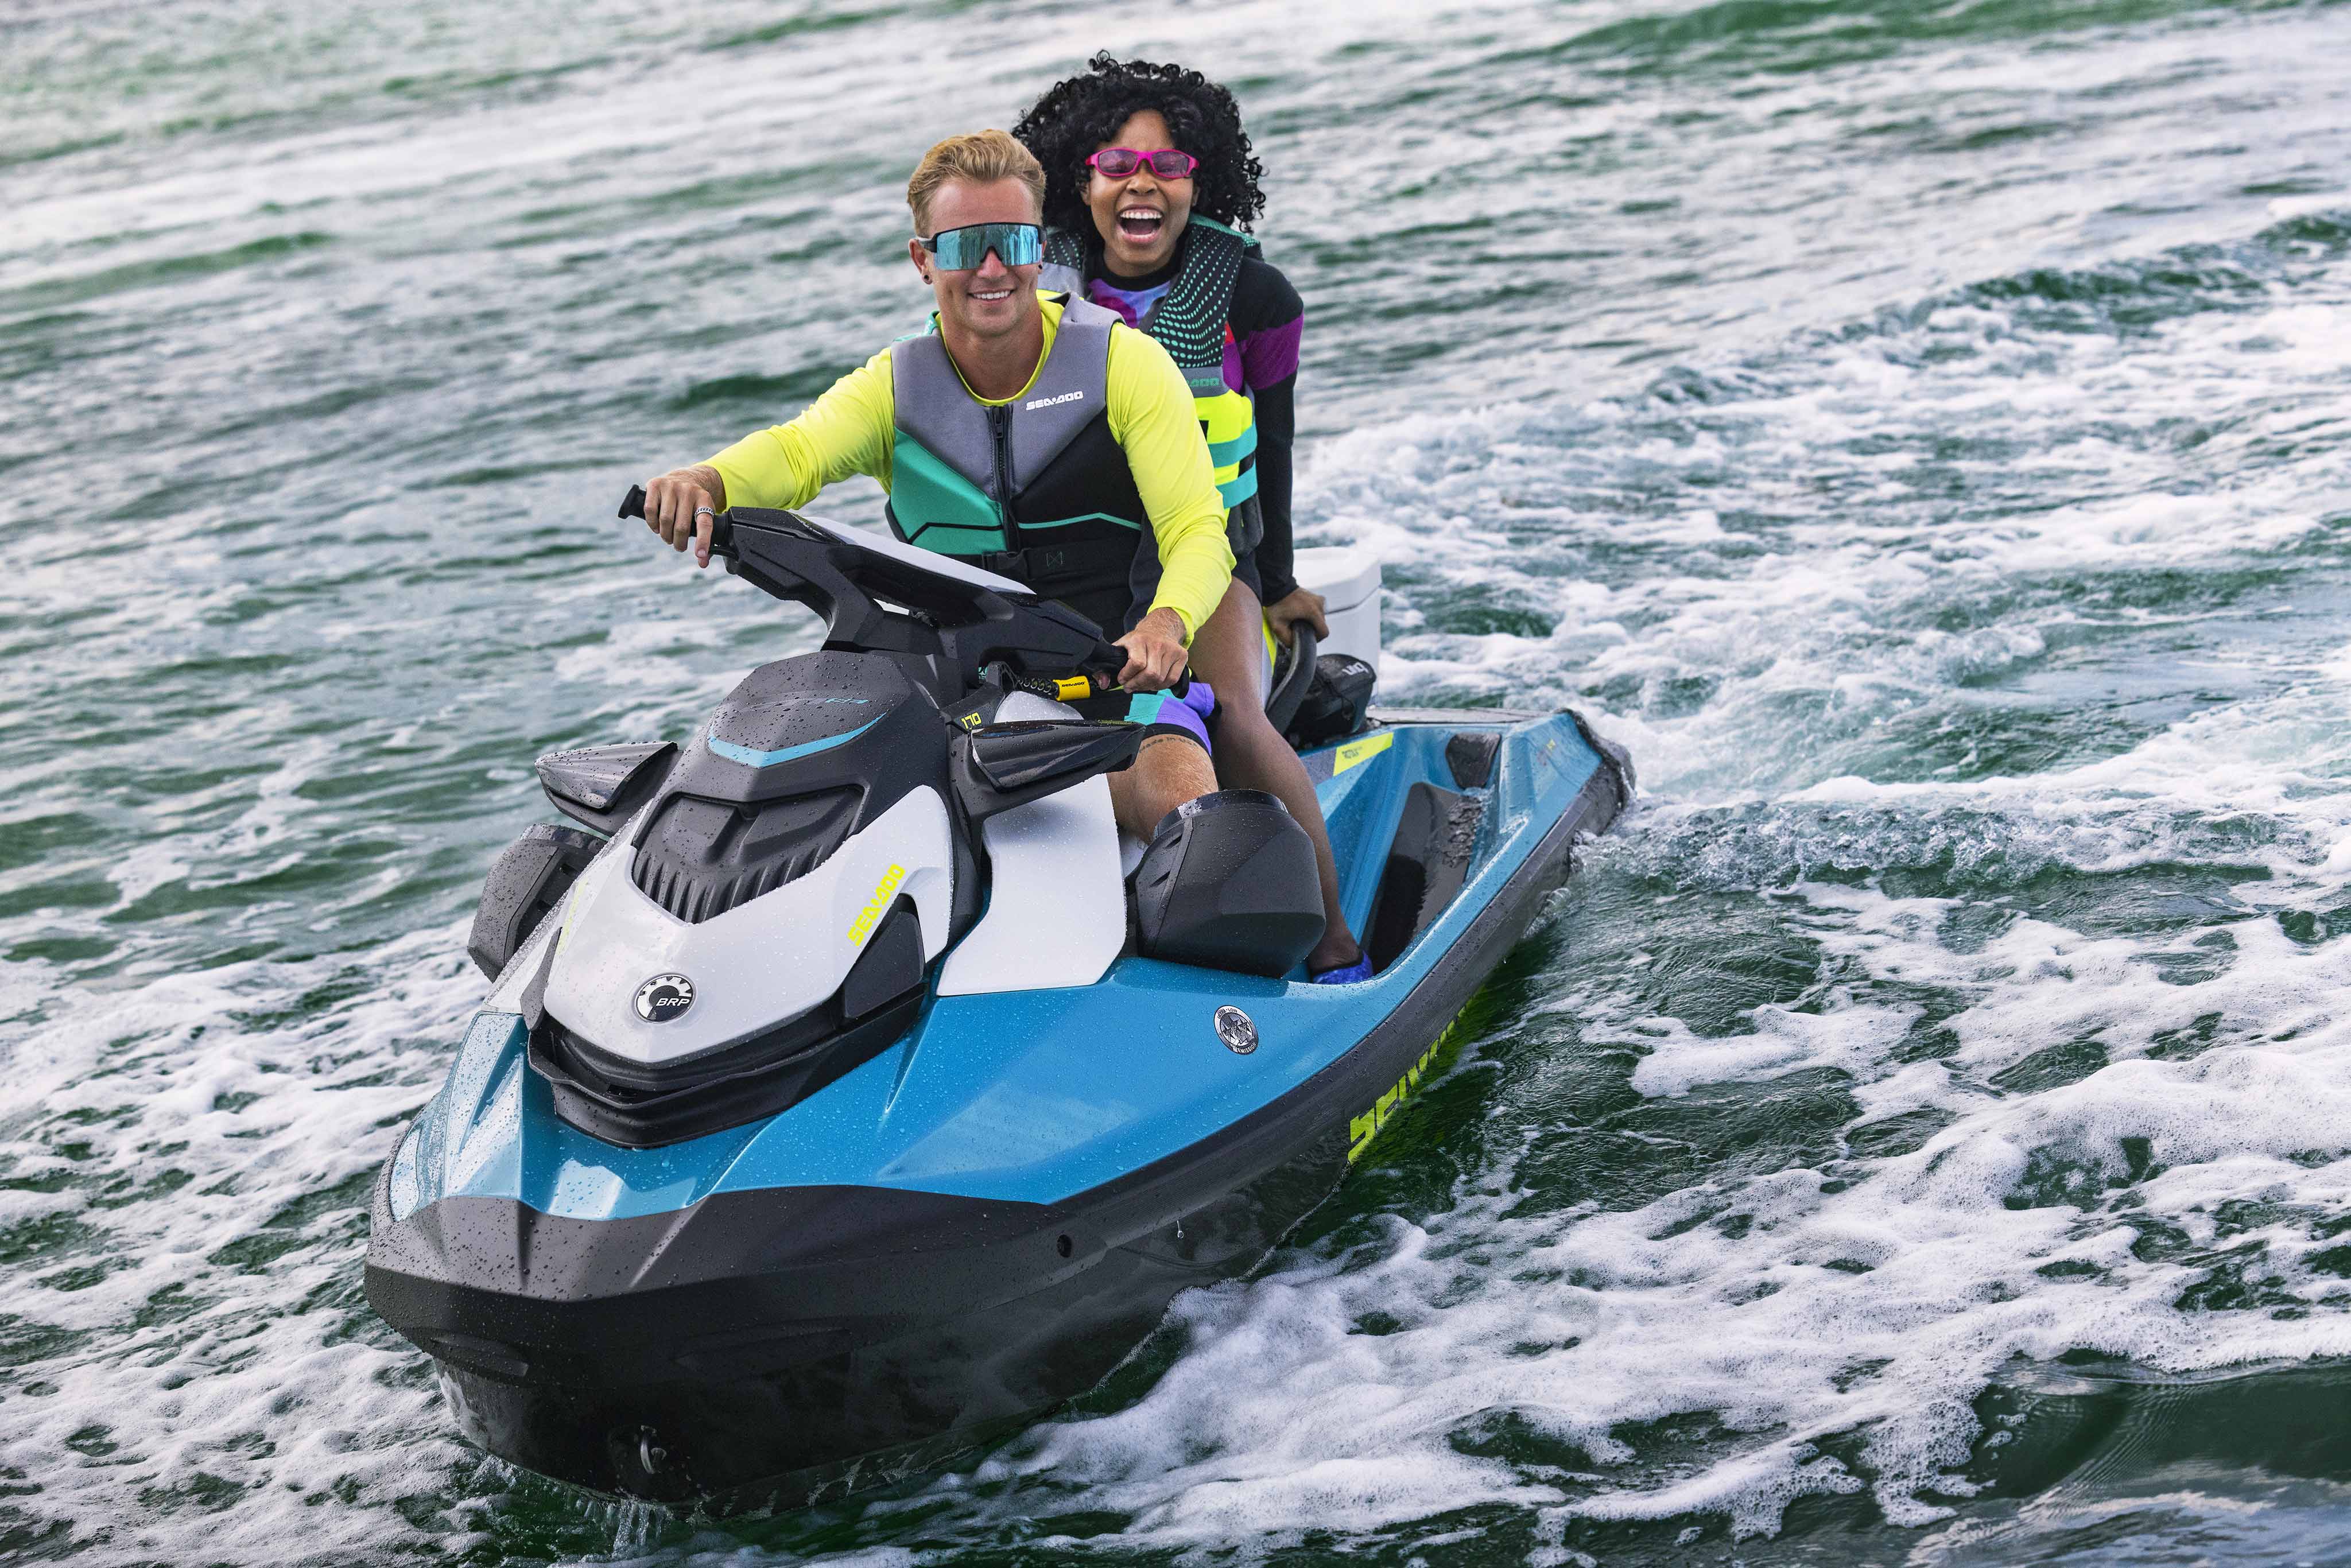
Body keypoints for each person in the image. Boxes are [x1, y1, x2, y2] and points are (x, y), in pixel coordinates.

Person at [637, 130, 1232, 879]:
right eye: (962, 247)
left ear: (1038, 249)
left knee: (1197, 823)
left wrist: (1167, 623)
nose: (990, 268)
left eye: (1010, 242)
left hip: (1119, 698)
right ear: (924, 261)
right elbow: (796, 454)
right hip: (961, 707)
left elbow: (1197, 529)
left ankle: (1334, 951)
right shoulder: (891, 389)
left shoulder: (1125, 365)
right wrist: (707, 481)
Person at [1014, 56, 1368, 981]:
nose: (1143, 184)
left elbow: (1274, 449)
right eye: (1117, 165)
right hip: (1085, 567)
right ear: (1076, 182)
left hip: (1205, 558)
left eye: (1168, 167)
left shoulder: (1254, 297)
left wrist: (1279, 583)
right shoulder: (1036, 288)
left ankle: (1335, 940)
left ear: (1198, 181)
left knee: (1240, 722)